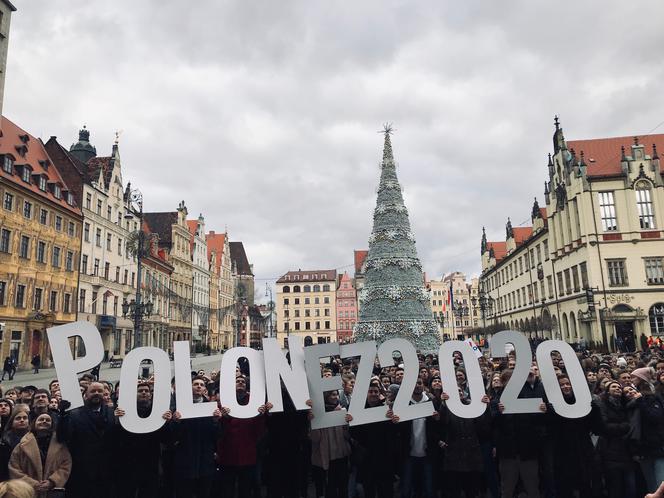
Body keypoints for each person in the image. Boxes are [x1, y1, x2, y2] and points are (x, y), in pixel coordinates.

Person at [111, 382, 172, 498]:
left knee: (149, 491)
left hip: (151, 461)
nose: (144, 393)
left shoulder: (159, 412)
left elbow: (166, 439)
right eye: (140, 391)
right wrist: (116, 421)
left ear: (150, 394)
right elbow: (115, 437)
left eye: (146, 391)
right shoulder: (123, 412)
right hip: (128, 461)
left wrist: (166, 423)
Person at [57, 381, 116, 498]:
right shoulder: (74, 414)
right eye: (93, 391)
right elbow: (63, 436)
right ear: (86, 395)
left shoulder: (112, 412)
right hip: (82, 471)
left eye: (100, 391)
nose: (96, 393)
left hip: (107, 470)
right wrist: (62, 415)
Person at [8, 413, 71, 497]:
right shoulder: (21, 445)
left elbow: (66, 465)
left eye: (48, 420)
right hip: (28, 491)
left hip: (52, 492)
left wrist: (52, 481)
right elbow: (14, 468)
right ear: (34, 423)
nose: (44, 421)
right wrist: (33, 483)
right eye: (41, 419)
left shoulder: (60, 445)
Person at [598, 380, 637, 498]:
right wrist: (624, 427)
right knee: (615, 488)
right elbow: (604, 426)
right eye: (614, 387)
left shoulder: (625, 406)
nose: (617, 389)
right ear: (607, 391)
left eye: (619, 387)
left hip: (627, 452)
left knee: (631, 488)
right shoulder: (603, 405)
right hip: (610, 452)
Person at [310, 390, 352, 498]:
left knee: (343, 487)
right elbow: (315, 439)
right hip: (327, 458)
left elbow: (347, 436)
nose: (335, 397)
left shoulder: (342, 411)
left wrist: (347, 424)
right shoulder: (318, 414)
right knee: (330, 488)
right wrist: (313, 423)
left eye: (336, 394)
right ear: (326, 396)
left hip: (342, 456)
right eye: (332, 394)